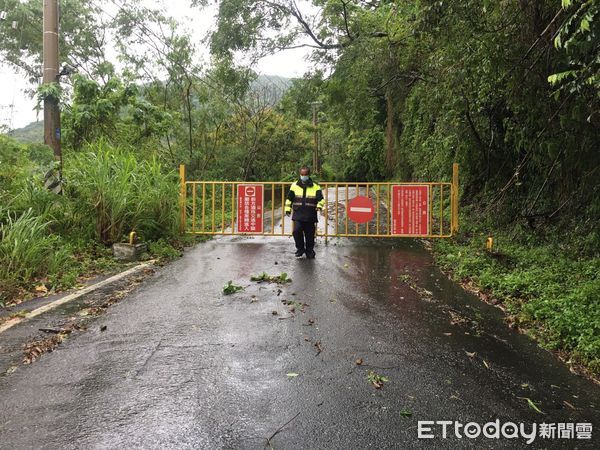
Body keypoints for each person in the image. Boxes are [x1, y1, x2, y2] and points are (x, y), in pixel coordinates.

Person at [285, 166, 325, 259]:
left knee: (310, 234)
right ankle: (300, 249)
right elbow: (289, 198)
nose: (303, 176)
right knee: (296, 231)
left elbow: (321, 200)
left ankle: (309, 251)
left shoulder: (315, 186)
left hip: (310, 214)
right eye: (302, 174)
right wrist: (287, 208)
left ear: (308, 175)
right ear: (300, 174)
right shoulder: (294, 185)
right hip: (298, 213)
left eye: (305, 174)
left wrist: (319, 206)